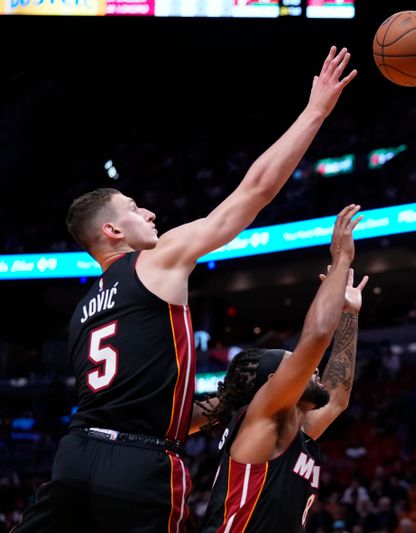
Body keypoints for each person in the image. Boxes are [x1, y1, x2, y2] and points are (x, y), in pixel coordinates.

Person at [13, 46, 357, 533]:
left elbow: (143, 399)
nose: (149, 213)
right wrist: (315, 111)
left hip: (73, 457)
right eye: (135, 208)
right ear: (112, 231)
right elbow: (251, 193)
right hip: (139, 463)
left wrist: (222, 406)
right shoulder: (155, 261)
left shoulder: (84, 310)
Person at [200, 204, 366, 533]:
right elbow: (318, 335)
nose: (312, 369)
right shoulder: (261, 419)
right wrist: (341, 261)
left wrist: (349, 313)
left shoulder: (292, 432)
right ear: (275, 383)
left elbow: (336, 400)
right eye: (297, 364)